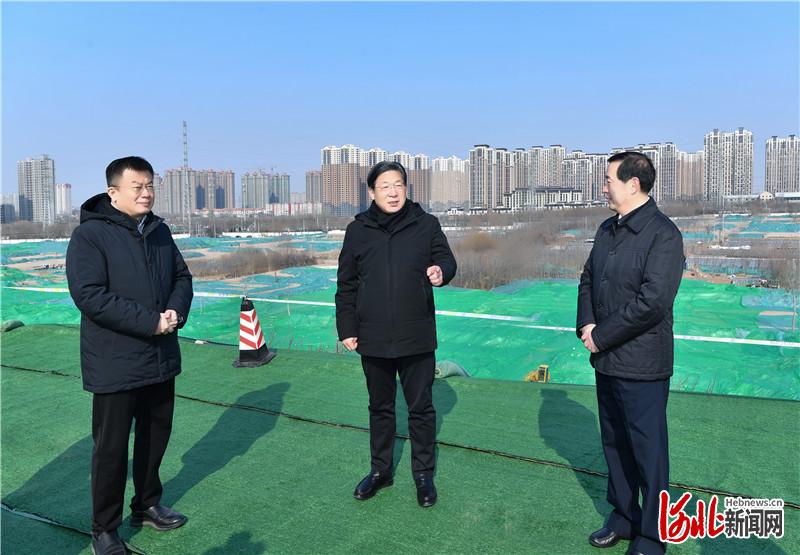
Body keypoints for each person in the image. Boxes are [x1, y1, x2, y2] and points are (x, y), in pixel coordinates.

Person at [66, 156, 193, 555]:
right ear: (113, 192)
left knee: (155, 437)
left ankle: (147, 504)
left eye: (150, 185)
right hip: (115, 362)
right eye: (137, 186)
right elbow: (90, 296)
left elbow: (182, 277)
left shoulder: (158, 230)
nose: (146, 193)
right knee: (111, 449)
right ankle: (104, 528)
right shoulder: (90, 236)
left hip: (160, 357)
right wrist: (150, 322)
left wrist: (175, 312)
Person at [577, 152, 684, 555]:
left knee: (648, 453)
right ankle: (623, 516)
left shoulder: (663, 234)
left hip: (642, 364)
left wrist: (602, 335)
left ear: (633, 184)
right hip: (607, 361)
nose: (603, 187)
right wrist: (587, 325)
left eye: (608, 180)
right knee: (615, 443)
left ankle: (653, 536)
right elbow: (588, 278)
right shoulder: (607, 229)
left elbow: (653, 302)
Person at [335, 161, 457, 508]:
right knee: (380, 407)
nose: (392, 192)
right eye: (384, 186)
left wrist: (441, 272)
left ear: (406, 188)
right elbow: (346, 284)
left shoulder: (426, 224)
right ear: (372, 192)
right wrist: (347, 328)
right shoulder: (358, 230)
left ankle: (423, 474)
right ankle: (380, 470)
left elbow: (447, 261)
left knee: (421, 408)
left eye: (398, 185)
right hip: (373, 335)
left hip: (416, 333)